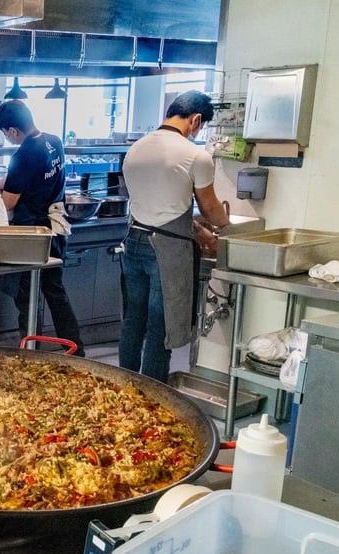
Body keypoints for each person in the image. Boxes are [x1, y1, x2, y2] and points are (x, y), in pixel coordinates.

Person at [119, 90, 231, 381]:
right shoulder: (196, 155)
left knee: (133, 321)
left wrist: (199, 231)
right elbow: (210, 208)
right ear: (196, 119)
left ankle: (122, 387)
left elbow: (160, 207)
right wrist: (224, 224)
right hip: (167, 252)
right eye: (202, 125)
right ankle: (153, 397)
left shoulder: (136, 149)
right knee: (161, 326)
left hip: (133, 242)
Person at [0, 100, 85, 356]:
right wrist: (5, 181)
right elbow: (23, 176)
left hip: (32, 235)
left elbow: (9, 202)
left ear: (12, 131)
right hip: (55, 230)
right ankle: (76, 350)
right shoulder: (53, 141)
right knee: (55, 293)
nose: (6, 138)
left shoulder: (23, 154)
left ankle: (29, 354)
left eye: (4, 132)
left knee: (27, 299)